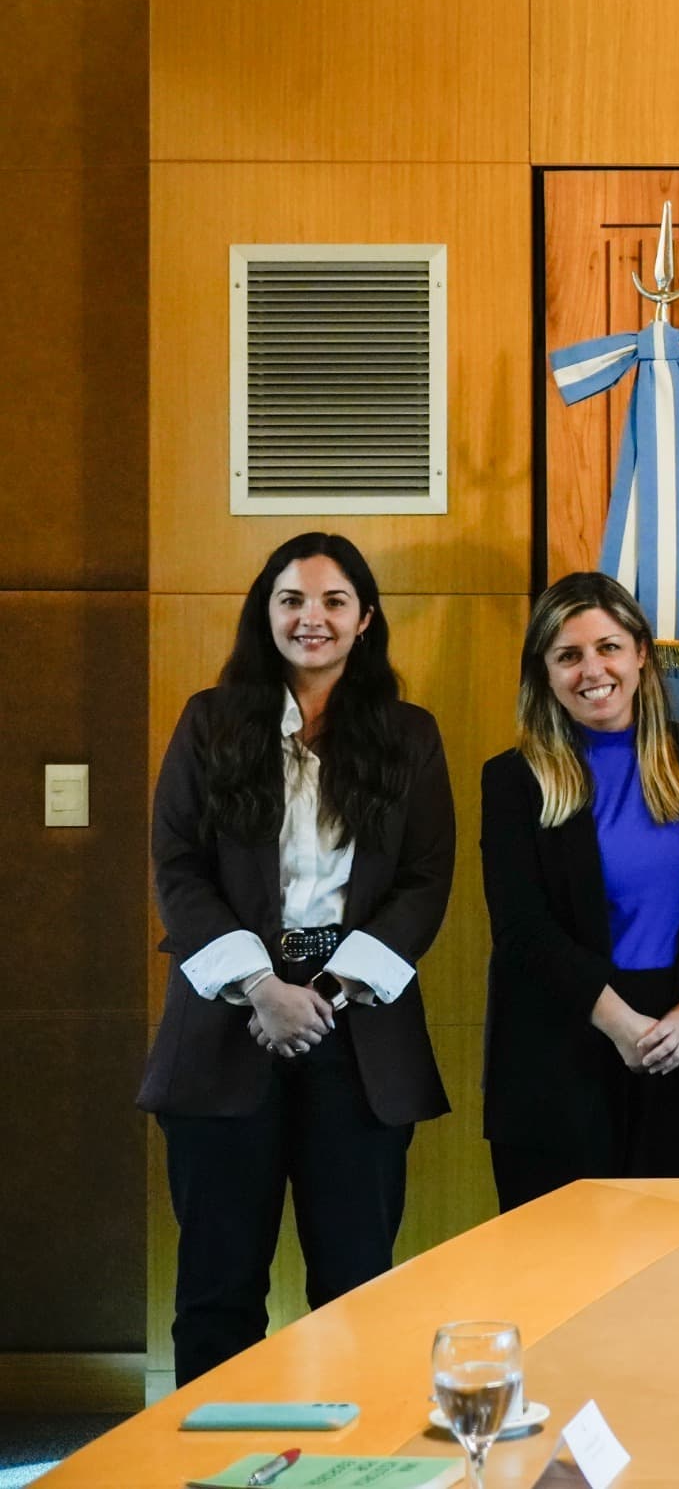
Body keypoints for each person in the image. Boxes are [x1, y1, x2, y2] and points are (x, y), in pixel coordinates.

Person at [140, 534, 454, 1385]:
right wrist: (260, 986)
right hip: (225, 1027)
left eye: (333, 601)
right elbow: (177, 866)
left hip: (359, 1034)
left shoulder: (408, 735)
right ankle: (212, 1454)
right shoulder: (211, 722)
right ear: (266, 613)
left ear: (365, 619)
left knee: (357, 1286)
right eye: (291, 600)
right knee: (218, 1290)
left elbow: (426, 878)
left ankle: (351, 1452)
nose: (311, 617)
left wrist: (332, 987)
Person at [480, 573, 679, 1211]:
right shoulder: (513, 780)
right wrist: (621, 1025)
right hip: (560, 1053)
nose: (592, 670)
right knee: (562, 1262)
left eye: (608, 647)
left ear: (641, 652)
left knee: (676, 1260)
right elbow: (522, 929)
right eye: (568, 655)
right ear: (544, 673)